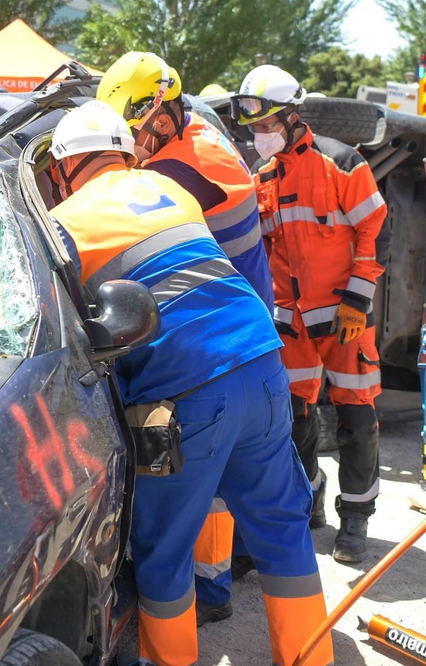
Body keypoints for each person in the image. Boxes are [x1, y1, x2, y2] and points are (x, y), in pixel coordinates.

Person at [44, 101, 329, 666]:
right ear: (127, 153)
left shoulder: (65, 223)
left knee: (165, 548)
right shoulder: (170, 192)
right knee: (281, 527)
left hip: (190, 388)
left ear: (62, 168)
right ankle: (309, 659)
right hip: (263, 359)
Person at [95, 51, 275, 623]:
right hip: (240, 322)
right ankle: (216, 583)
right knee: (224, 476)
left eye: (137, 129)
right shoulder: (202, 137)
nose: (134, 143)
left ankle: (202, 592)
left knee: (189, 474)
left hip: (209, 336)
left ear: (162, 113)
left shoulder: (178, 171)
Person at [233, 63, 387, 564]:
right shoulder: (263, 178)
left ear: (294, 118)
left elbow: (371, 232)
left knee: (355, 419)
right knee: (294, 421)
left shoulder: (342, 164)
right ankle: (306, 505)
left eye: (267, 125)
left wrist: (357, 300)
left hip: (345, 320)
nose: (260, 136)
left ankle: (357, 520)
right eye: (254, 128)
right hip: (292, 324)